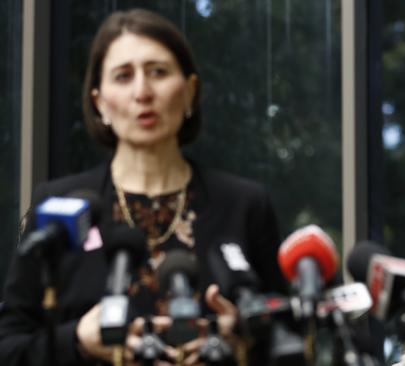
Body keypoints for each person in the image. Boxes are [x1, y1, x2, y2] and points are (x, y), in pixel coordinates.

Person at [0, 8, 285, 365]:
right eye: (123, 76)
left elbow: (290, 342)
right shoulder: (58, 205)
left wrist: (244, 345)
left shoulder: (245, 205)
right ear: (99, 102)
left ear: (189, 92)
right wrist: (75, 340)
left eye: (158, 72)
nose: (142, 92)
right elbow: (8, 346)